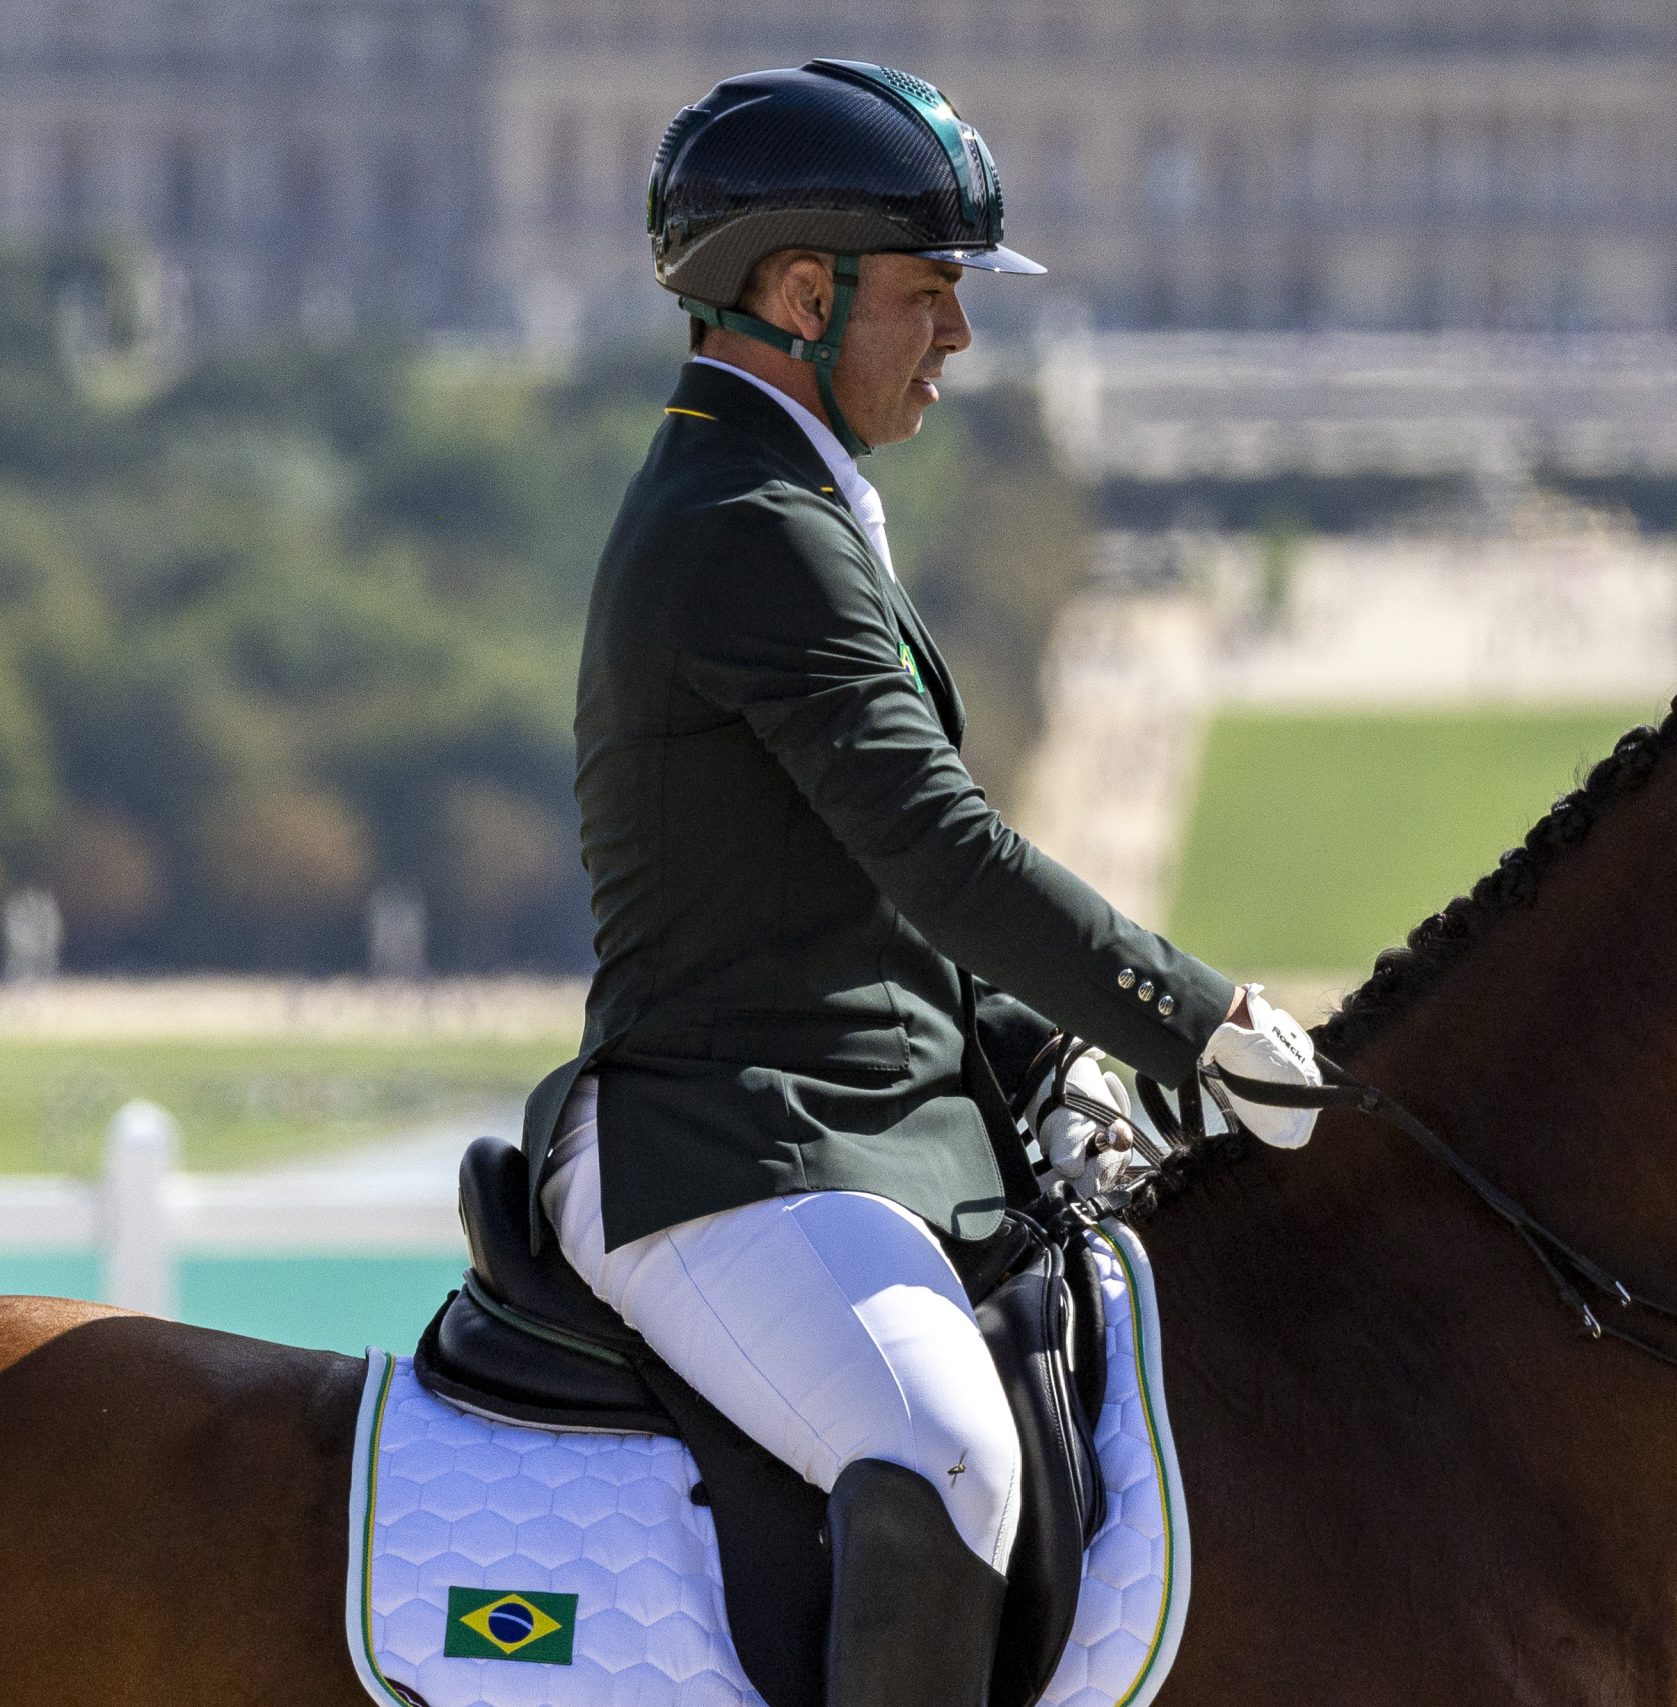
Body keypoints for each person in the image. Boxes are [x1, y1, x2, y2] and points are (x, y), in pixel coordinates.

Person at [513, 60, 1325, 1707]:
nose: (960, 335)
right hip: (725, 1141)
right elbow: (939, 852)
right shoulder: (748, 519)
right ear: (803, 294)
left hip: (848, 1122)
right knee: (946, 1450)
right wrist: (1195, 1018)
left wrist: (1042, 1049)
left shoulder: (795, 493)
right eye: (933, 291)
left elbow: (855, 897)